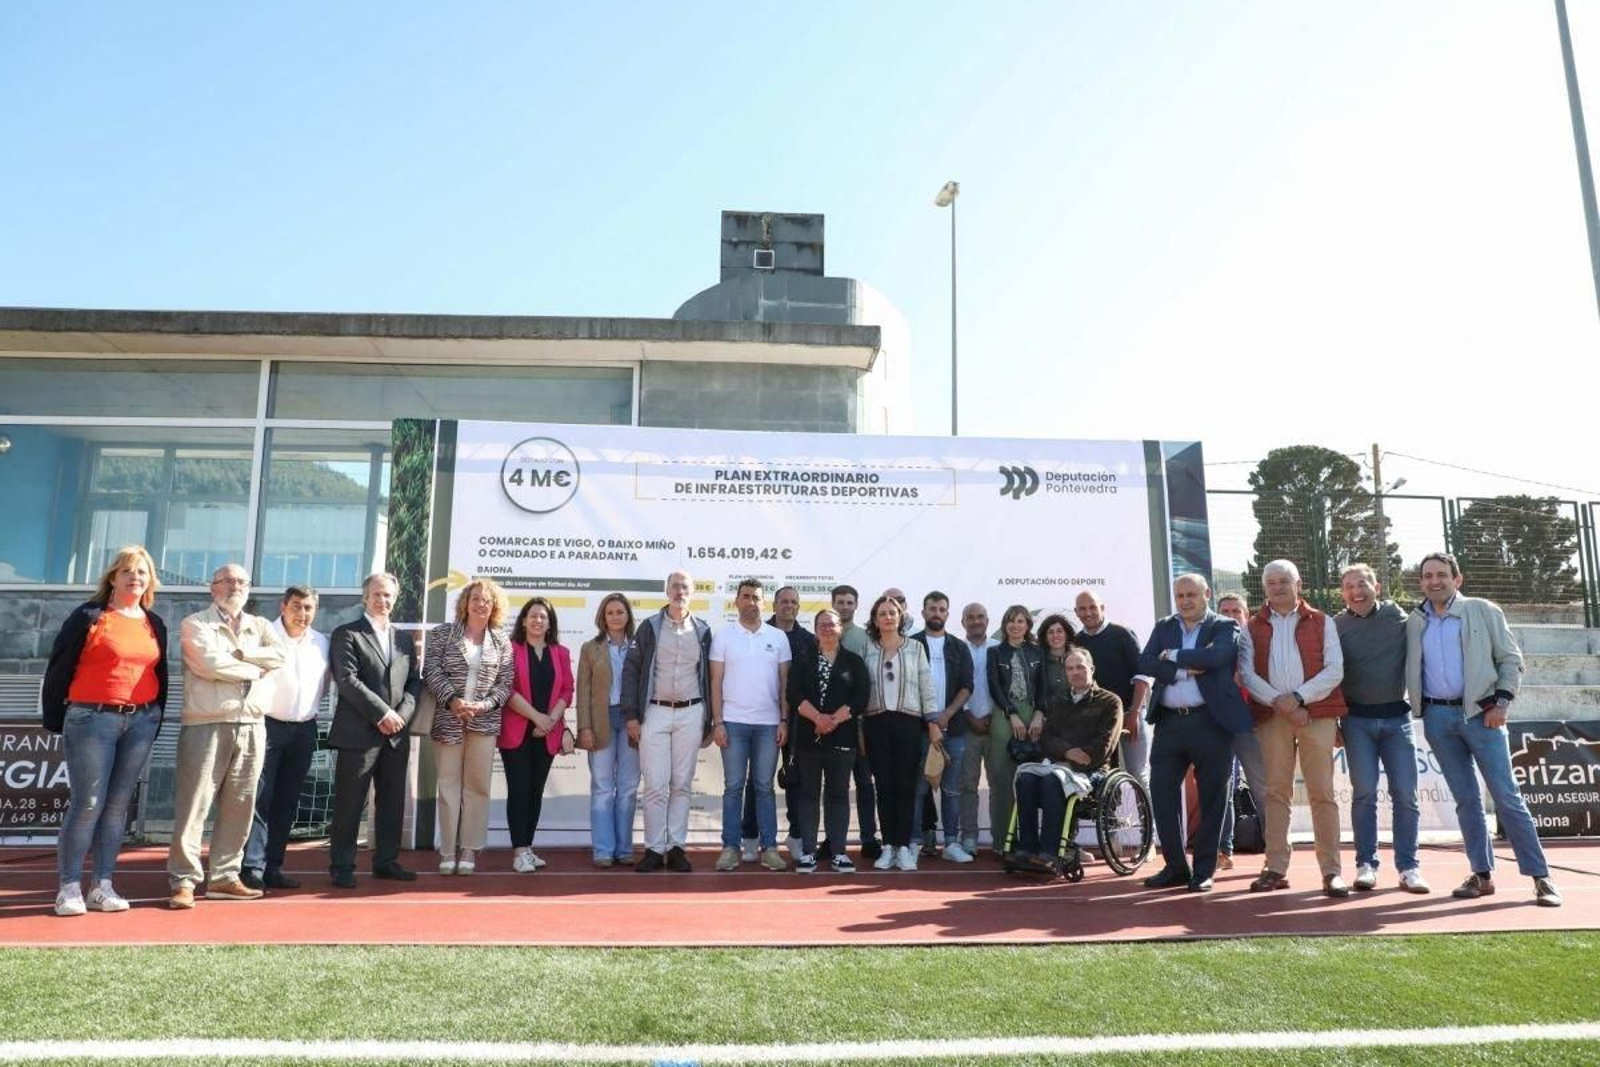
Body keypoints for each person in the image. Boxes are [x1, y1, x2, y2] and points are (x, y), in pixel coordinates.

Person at [1406, 551, 1561, 906]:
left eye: (1441, 575)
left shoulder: (1483, 610)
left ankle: (1541, 877)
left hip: (1483, 715)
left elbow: (1511, 659)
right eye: (1428, 576)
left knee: (1507, 797)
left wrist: (1501, 703)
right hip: (1438, 719)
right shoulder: (1415, 621)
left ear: (1457, 579)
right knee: (1466, 800)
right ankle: (1481, 874)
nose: (1434, 581)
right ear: (1422, 583)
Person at [42, 545, 170, 917]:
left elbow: (159, 676)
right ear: (113, 577)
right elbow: (59, 668)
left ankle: (103, 885)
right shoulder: (88, 616)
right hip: (91, 720)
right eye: (128, 571)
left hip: (141, 721)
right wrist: (56, 718)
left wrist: (155, 716)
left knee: (117, 807)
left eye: (142, 572)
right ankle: (68, 888)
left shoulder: (153, 623)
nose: (135, 577)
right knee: (88, 804)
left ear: (150, 581)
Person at [167, 563, 285, 909]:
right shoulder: (195, 623)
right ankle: (184, 880)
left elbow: (279, 657)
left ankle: (224, 877)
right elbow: (207, 664)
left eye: (242, 581)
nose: (235, 586)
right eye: (228, 580)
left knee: (241, 805)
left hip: (252, 724)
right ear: (212, 586)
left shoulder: (260, 625)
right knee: (194, 805)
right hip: (206, 723)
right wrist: (254, 669)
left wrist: (239, 654)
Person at [1238, 560, 1349, 898]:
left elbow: (1335, 669)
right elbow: (1247, 673)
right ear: (1264, 587)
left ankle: (1331, 872)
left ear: (1298, 584)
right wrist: (1281, 703)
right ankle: (1275, 867)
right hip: (1273, 718)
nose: (1278, 587)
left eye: (1284, 581)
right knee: (1275, 793)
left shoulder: (1323, 621)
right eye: (1271, 582)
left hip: (1316, 716)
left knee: (1322, 794)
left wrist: (1300, 699)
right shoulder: (1250, 627)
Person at [1137, 573, 1254, 893]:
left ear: (1207, 594)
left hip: (1211, 723)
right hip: (1169, 724)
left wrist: (1172, 655)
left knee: (1214, 798)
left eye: (1191, 594)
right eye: (1180, 596)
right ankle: (1175, 866)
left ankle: (1203, 870)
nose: (1185, 601)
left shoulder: (1224, 626)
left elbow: (1218, 657)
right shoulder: (1164, 626)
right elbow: (1145, 661)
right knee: (1161, 793)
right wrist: (1186, 669)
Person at [1334, 564, 1428, 894]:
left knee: (1406, 795)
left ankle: (1409, 867)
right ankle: (1365, 865)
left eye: (1362, 584)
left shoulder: (1399, 618)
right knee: (1364, 796)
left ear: (1378, 585)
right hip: (1356, 722)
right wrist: (1334, 721)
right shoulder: (1335, 626)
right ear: (1342, 591)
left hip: (1397, 720)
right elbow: (1332, 676)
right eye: (1349, 586)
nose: (1356, 591)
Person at [327, 572, 422, 889]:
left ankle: (386, 861)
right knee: (350, 804)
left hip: (395, 735)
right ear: (365, 596)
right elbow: (347, 680)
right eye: (377, 594)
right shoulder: (347, 634)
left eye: (389, 596)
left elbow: (413, 683)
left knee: (392, 802)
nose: (383, 600)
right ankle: (342, 865)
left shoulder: (403, 640)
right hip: (358, 734)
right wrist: (382, 714)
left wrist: (401, 716)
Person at [622, 570, 713, 873]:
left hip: (691, 712)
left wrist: (710, 721)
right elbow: (632, 671)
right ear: (666, 591)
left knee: (682, 784)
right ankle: (652, 848)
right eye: (674, 586)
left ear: (693, 592)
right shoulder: (649, 627)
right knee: (656, 785)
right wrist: (632, 716)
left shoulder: (703, 630)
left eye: (684, 586)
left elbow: (711, 678)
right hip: (655, 713)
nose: (679, 591)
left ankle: (676, 847)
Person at [243, 585, 330, 891]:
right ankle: (252, 866)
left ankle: (274, 867)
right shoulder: (265, 636)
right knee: (259, 798)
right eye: (296, 606)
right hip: (267, 726)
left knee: (287, 802)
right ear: (283, 607)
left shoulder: (321, 643)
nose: (302, 614)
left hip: (305, 729)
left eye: (308, 608)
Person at [424, 579, 513, 876]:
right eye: (475, 598)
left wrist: (483, 706)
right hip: (448, 719)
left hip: (484, 723)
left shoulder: (502, 641)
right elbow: (431, 670)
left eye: (487, 600)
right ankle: (448, 851)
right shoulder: (442, 634)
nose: (480, 604)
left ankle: (469, 850)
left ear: (495, 606)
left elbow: (505, 684)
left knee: (477, 788)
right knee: (448, 787)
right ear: (465, 602)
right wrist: (452, 700)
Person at [1009, 647, 1123, 873]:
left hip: (1093, 770)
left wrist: (1072, 760)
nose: (1075, 672)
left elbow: (1105, 744)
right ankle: (1027, 849)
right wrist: (1067, 751)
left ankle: (1050, 853)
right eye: (1070, 668)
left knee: (1053, 781)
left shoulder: (1110, 701)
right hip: (1059, 765)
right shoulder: (1058, 701)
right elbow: (1046, 738)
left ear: (1091, 669)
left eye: (1080, 667)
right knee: (1026, 778)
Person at [709, 579, 792, 872]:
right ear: (736, 601)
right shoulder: (724, 636)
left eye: (756, 597)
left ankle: (769, 848)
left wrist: (783, 720)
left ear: (764, 602)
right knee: (733, 787)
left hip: (769, 725)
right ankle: (730, 848)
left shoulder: (779, 638)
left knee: (764, 788)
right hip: (732, 723)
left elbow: (785, 685)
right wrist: (718, 722)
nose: (751, 602)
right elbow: (715, 683)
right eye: (745, 597)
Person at [786, 608, 870, 873]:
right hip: (808, 740)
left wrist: (833, 720)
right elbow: (793, 693)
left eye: (832, 625)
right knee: (808, 795)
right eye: (822, 624)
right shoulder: (802, 659)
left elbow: (861, 697)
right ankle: (808, 852)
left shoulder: (854, 661)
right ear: (815, 629)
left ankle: (839, 853)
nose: (827, 629)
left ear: (840, 629)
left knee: (838, 795)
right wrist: (818, 719)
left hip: (842, 738)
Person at [861, 594, 937, 871]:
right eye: (882, 613)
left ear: (900, 616)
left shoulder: (916, 648)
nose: (888, 617)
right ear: (875, 619)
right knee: (884, 786)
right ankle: (888, 846)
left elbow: (926, 686)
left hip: (908, 723)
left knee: (906, 786)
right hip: (876, 723)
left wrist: (933, 723)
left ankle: (905, 847)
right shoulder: (867, 649)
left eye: (892, 612)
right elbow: (860, 691)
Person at [740, 585, 816, 860]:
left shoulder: (809, 640)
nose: (789, 605)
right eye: (783, 601)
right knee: (757, 781)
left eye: (794, 601)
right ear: (774, 605)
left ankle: (795, 836)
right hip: (762, 718)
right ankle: (750, 836)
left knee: (796, 778)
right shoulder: (759, 633)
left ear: (798, 606)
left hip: (799, 722)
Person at [501, 596, 575, 873]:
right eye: (532, 615)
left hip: (547, 733)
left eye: (543, 616)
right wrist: (536, 717)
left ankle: (528, 848)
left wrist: (551, 720)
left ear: (549, 623)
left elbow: (567, 689)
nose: (537, 620)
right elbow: (506, 689)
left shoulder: (561, 652)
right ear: (523, 620)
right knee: (519, 791)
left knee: (535, 792)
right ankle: (518, 851)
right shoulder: (510, 650)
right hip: (517, 732)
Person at [910, 590, 975, 863]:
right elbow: (908, 686)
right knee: (918, 789)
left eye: (941, 609)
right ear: (923, 612)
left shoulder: (959, 647)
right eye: (932, 609)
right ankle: (912, 843)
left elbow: (966, 686)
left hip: (954, 728)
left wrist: (947, 714)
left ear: (947, 614)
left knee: (951, 789)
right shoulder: (910, 645)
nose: (937, 613)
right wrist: (930, 719)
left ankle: (950, 843)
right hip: (919, 728)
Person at [576, 592, 639, 868]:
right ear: (603, 617)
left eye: (620, 612)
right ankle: (603, 849)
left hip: (631, 722)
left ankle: (624, 849)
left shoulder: (639, 646)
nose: (615, 616)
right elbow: (583, 693)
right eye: (610, 612)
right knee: (602, 787)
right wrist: (584, 727)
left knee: (627, 788)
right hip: (600, 720)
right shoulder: (590, 648)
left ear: (628, 616)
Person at [1071, 591, 1151, 783]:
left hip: (1130, 716)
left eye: (1092, 607)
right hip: (1097, 721)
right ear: (1076, 612)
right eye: (1082, 608)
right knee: (1104, 777)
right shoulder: (1077, 641)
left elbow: (1142, 676)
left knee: (1137, 774)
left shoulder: (1122, 634)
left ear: (1102, 608)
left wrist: (1134, 713)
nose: (1088, 612)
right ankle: (1111, 814)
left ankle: (1149, 814)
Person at [1214, 592, 1268, 870]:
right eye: (1225, 611)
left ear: (1247, 615)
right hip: (1219, 726)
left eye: (1236, 610)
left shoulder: (1258, 642)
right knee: (1223, 787)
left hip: (1252, 724)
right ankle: (1224, 849)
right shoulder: (1210, 643)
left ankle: (1275, 849)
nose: (1231, 615)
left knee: (1261, 787)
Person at [985, 604, 1043, 857]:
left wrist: (1040, 713)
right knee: (1001, 781)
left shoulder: (1038, 652)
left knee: (1032, 780)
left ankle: (1031, 841)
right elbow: (994, 686)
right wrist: (1012, 714)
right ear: (1004, 624)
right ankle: (1002, 841)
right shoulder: (995, 652)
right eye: (1011, 620)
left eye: (1021, 621)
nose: (1016, 625)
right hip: (1004, 716)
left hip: (1034, 716)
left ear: (1028, 625)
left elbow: (1044, 687)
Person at [831, 583, 879, 860]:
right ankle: (832, 839)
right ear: (833, 603)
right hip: (829, 724)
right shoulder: (823, 634)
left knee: (864, 782)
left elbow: (868, 682)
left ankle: (869, 837)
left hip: (859, 723)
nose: (844, 606)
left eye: (849, 602)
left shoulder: (864, 638)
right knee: (835, 787)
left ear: (856, 606)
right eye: (840, 602)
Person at [955, 602, 999, 859]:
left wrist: (995, 715)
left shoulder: (998, 648)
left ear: (987, 620)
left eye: (980, 616)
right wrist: (969, 714)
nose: (975, 621)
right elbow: (955, 685)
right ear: (963, 622)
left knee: (999, 784)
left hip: (996, 725)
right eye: (970, 618)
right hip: (967, 725)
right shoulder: (957, 649)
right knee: (967, 784)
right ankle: (969, 836)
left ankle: (1000, 836)